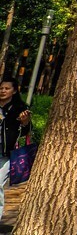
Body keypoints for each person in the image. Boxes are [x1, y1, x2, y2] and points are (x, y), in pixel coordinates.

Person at [0, 75, 32, 218]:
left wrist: (25, 122)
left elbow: (26, 132)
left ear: (14, 91)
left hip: (6, 154)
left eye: (7, 88)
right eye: (1, 88)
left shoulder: (20, 108)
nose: (3, 91)